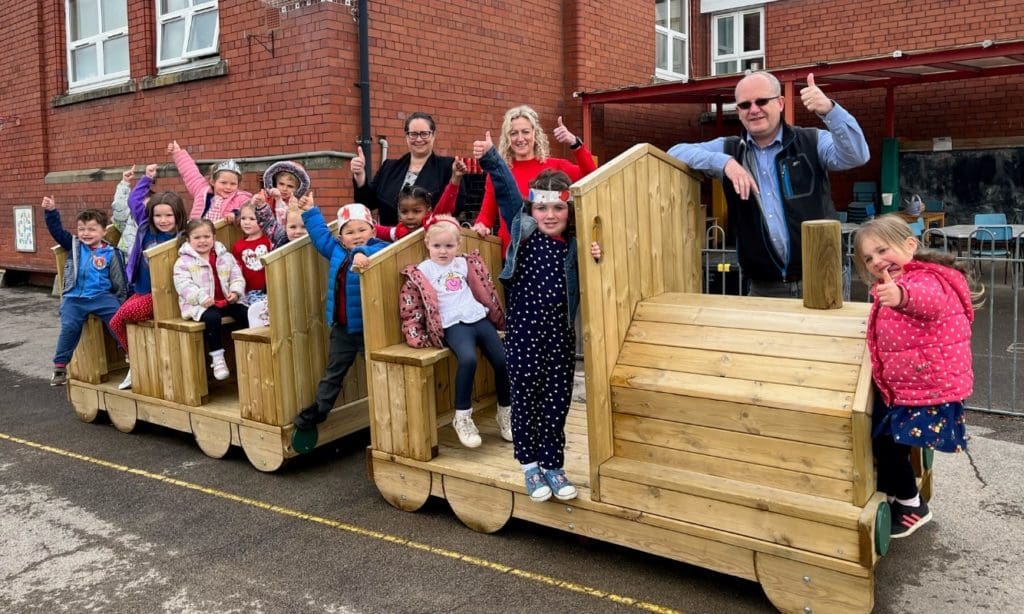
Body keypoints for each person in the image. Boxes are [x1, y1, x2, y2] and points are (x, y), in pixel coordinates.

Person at [474, 131, 601, 503]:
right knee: (526, 399)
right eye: (542, 208)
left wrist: (597, 253)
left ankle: (553, 465)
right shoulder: (523, 233)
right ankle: (530, 465)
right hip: (523, 336)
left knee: (557, 400)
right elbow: (509, 193)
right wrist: (493, 158)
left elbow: (600, 264)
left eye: (558, 208)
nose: (549, 215)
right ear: (533, 210)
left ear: (569, 211)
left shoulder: (573, 249)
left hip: (560, 339)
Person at [668, 71, 870, 297]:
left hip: (822, 275)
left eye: (762, 101)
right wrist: (725, 163)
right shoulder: (729, 149)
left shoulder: (811, 141)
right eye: (745, 105)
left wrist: (830, 111)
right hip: (764, 286)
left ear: (780, 103)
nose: (754, 109)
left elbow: (856, 156)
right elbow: (675, 153)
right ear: (739, 112)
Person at [854, 215, 976, 538]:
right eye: (869, 258)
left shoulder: (924, 281)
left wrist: (902, 297)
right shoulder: (895, 283)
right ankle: (894, 494)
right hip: (905, 383)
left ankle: (911, 505)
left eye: (882, 250)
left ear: (910, 245)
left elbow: (928, 302)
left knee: (891, 442)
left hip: (926, 384)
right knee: (883, 437)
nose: (877, 261)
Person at [398, 214, 511, 447]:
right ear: (427, 244)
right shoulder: (424, 270)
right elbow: (414, 304)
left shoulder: (463, 263)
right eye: (437, 245)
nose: (443, 251)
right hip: (452, 323)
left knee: (503, 360)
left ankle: (506, 413)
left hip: (476, 316)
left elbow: (483, 287)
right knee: (468, 360)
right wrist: (417, 333)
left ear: (458, 245)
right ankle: (462, 417)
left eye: (449, 246)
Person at [292, 201, 389, 431]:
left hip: (370, 328)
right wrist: (310, 211)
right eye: (349, 232)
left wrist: (362, 252)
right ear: (340, 236)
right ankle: (319, 410)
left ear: (373, 230)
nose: (357, 236)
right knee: (333, 372)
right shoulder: (336, 250)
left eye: (362, 230)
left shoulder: (379, 248)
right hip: (343, 328)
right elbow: (320, 237)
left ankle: (389, 413)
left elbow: (381, 251)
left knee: (380, 373)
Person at [472, 106, 597, 255]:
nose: (520, 138)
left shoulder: (556, 166)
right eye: (514, 133)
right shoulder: (500, 174)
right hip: (512, 259)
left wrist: (574, 143)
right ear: (507, 138)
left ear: (535, 134)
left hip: (553, 256)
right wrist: (480, 227)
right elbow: (486, 215)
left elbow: (592, 176)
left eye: (525, 132)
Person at [109, 164, 190, 390]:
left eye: (168, 215)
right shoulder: (146, 229)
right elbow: (134, 201)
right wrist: (147, 179)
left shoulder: (182, 236)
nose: (163, 220)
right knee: (115, 322)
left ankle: (138, 363)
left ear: (178, 215)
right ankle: (134, 362)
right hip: (142, 290)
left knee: (127, 313)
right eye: (158, 215)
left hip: (163, 295)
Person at [42, 197, 128, 386]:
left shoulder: (111, 253)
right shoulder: (74, 246)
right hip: (75, 297)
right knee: (70, 326)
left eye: (91, 229)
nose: (86, 233)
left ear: (103, 231)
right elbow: (57, 231)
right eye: (82, 229)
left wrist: (119, 300)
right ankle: (60, 366)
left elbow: (119, 281)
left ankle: (131, 354)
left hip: (101, 296)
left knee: (117, 319)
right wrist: (51, 212)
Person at [351, 112, 456, 226]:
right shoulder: (389, 168)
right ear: (407, 136)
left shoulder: (448, 167)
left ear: (433, 135)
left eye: (425, 134)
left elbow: (455, 207)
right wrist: (360, 174)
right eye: (413, 134)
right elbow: (367, 203)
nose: (419, 139)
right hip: (390, 240)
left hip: (429, 239)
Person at [172, 219, 246, 381]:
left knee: (244, 313)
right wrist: (201, 297)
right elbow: (183, 285)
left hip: (226, 300)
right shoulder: (184, 262)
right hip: (201, 305)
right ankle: (217, 357)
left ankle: (247, 352)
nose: (202, 241)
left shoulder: (225, 256)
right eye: (197, 237)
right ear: (188, 240)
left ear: (214, 237)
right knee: (212, 318)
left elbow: (237, 276)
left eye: (206, 236)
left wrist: (235, 291)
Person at [375, 158, 466, 242]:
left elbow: (446, 203)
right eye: (404, 212)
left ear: (428, 211)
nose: (410, 217)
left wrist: (455, 178)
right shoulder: (399, 231)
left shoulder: (433, 223)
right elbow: (377, 230)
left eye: (416, 211)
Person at [168, 140, 252, 222]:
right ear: (213, 181)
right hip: (199, 233)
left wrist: (235, 214)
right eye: (223, 183)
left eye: (233, 184)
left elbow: (249, 209)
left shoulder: (241, 198)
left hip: (224, 235)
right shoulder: (201, 190)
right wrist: (177, 152)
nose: (228, 187)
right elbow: (189, 172)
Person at [231, 202, 273, 309]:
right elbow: (236, 271)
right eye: (243, 218)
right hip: (250, 292)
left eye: (252, 219)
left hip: (269, 290)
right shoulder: (238, 246)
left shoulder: (269, 241)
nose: (246, 222)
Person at [110, 165, 146, 257]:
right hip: (124, 265)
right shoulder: (128, 222)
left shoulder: (155, 226)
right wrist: (125, 183)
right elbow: (120, 207)